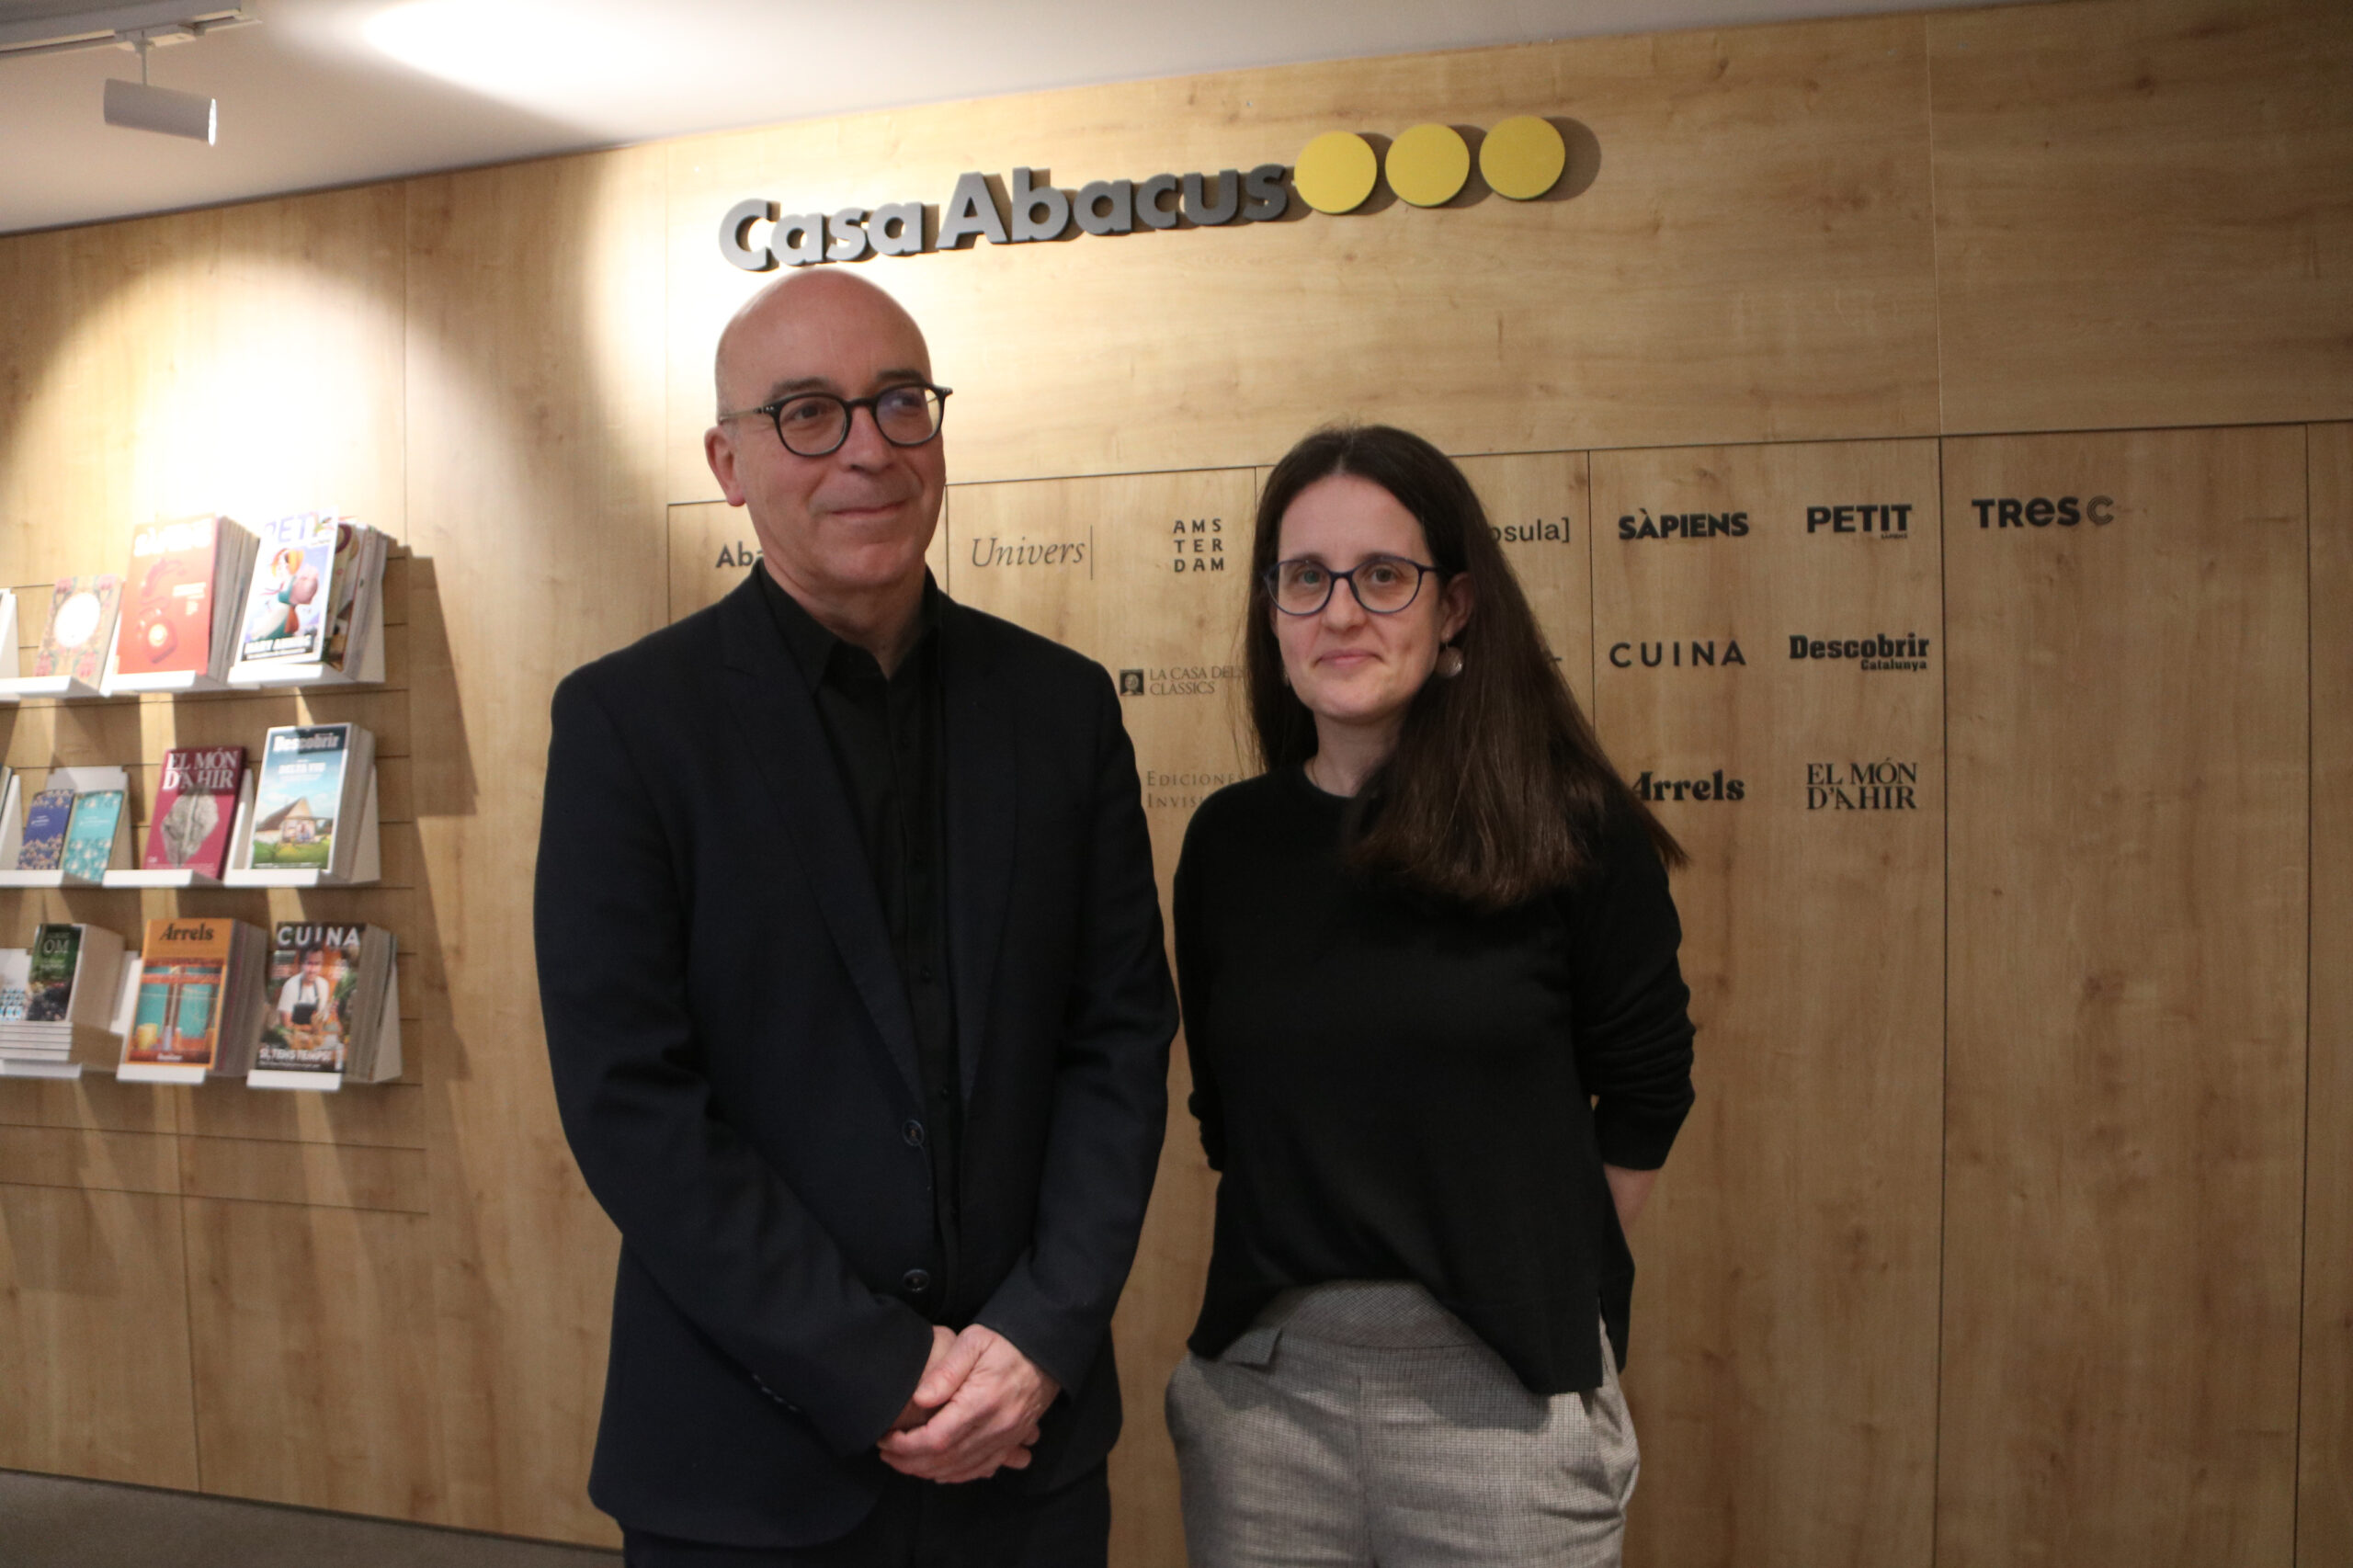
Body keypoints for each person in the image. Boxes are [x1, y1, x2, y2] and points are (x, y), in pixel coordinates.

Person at [535, 269, 1177, 1567]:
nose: (869, 448)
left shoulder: (1061, 709)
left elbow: (1116, 1044)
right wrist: (878, 1366)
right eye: (808, 413)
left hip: (1025, 1451)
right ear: (728, 463)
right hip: (748, 1467)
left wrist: (1040, 1336)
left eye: (898, 401)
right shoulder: (629, 725)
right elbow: (632, 1102)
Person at [1165, 425, 1697, 1567]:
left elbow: (1647, 1090)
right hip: (1265, 1407)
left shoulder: (1569, 827)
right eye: (1305, 578)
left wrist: (1529, 1263)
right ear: (1270, 609)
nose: (1340, 612)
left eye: (1382, 575)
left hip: (1503, 1394)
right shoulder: (1229, 842)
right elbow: (1226, 1117)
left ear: (1454, 606)